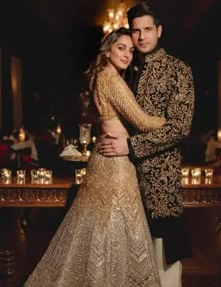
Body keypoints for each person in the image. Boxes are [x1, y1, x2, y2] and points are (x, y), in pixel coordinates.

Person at [24, 27, 166, 287]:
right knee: (116, 225)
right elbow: (142, 121)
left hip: (106, 157)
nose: (127, 54)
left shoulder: (100, 76)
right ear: (108, 49)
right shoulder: (111, 79)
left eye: (131, 50)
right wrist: (174, 123)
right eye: (121, 48)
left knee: (96, 225)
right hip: (116, 162)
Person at [99, 3, 195, 287]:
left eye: (148, 29)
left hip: (159, 181)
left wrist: (130, 146)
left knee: (163, 268)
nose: (141, 37)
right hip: (122, 178)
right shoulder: (125, 68)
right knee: (128, 266)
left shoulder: (178, 70)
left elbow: (179, 128)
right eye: (136, 31)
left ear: (160, 31)